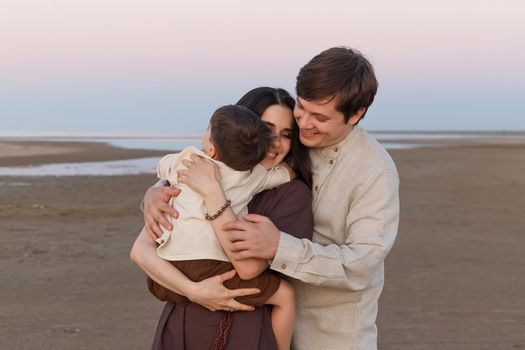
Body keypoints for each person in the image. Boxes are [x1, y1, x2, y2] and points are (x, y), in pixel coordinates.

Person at [141, 47, 400, 349]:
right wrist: (154, 192)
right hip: (250, 321)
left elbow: (361, 264)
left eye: (319, 117)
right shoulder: (277, 152)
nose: (304, 123)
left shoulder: (374, 171)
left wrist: (279, 247)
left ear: (356, 114)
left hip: (328, 335)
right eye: (301, 107)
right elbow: (208, 174)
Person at [131, 87, 314, 350]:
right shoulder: (195, 174)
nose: (274, 143)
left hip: (244, 331)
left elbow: (249, 268)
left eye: (286, 135)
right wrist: (154, 191)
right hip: (180, 324)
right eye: (266, 130)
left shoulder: (291, 195)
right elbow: (140, 251)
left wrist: (212, 191)